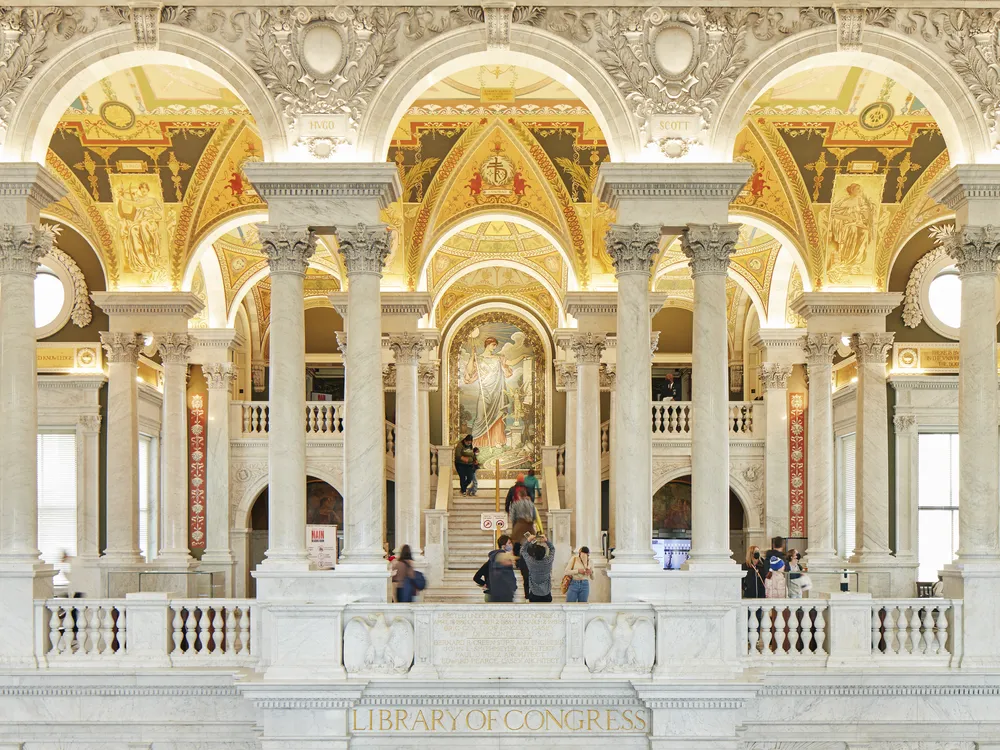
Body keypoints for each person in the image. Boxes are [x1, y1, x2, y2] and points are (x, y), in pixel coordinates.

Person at [508, 478, 536, 593]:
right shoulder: (531, 504)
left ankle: (519, 562)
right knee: (529, 542)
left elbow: (512, 516)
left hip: (519, 525)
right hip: (528, 527)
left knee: (517, 543)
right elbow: (534, 516)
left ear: (519, 495)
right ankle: (530, 560)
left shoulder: (516, 503)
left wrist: (514, 526)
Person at [521, 534, 555, 603]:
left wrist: (528, 540)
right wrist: (546, 540)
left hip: (534, 593)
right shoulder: (548, 561)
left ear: (534, 554)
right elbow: (552, 549)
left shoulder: (531, 562)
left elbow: (523, 551)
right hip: (546, 593)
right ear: (545, 553)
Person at [486, 534, 517, 603]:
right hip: (504, 593)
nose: (511, 545)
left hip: (497, 592)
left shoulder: (494, 557)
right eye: (509, 543)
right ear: (503, 546)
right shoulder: (501, 556)